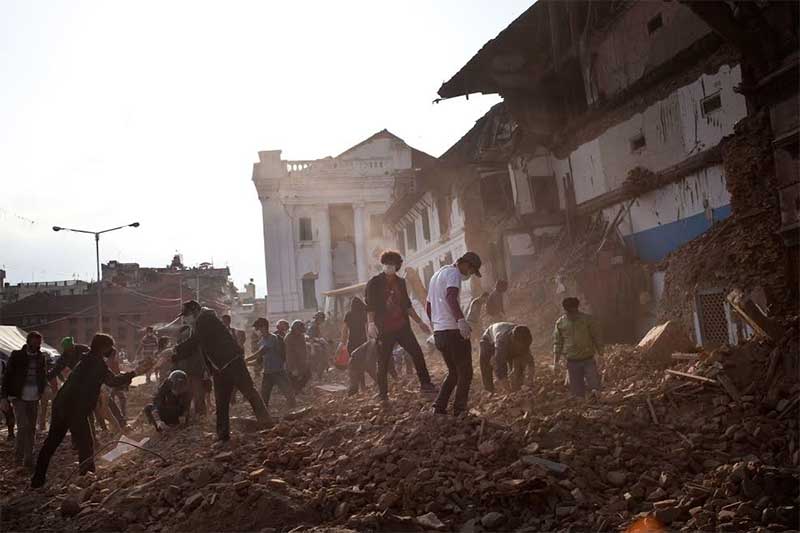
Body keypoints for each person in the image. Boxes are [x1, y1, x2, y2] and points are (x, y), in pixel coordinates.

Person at [31, 333, 139, 488]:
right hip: (75, 409)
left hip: (62, 405)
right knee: (86, 444)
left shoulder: (85, 358)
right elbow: (113, 381)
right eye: (109, 347)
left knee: (51, 443)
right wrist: (134, 372)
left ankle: (37, 479)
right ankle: (87, 479)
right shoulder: (97, 363)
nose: (111, 349)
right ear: (102, 347)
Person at [173, 300, 271, 442]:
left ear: (195, 311)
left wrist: (175, 351)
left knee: (249, 392)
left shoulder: (205, 319)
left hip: (232, 362)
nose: (185, 318)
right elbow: (200, 346)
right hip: (219, 368)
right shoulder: (200, 322)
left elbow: (194, 342)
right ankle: (223, 435)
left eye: (186, 315)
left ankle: (266, 423)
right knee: (221, 402)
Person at [365, 250, 436, 404]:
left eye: (392, 264)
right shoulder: (374, 283)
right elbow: (370, 305)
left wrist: (419, 322)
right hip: (384, 328)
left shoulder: (401, 283)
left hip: (402, 327)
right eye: (387, 264)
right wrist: (371, 323)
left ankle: (426, 384)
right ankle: (382, 394)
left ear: (397, 266)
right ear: (383, 264)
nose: (389, 266)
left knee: (417, 353)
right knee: (383, 362)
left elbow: (407, 305)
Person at [426, 252, 483, 415]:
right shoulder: (454, 274)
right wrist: (460, 320)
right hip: (453, 331)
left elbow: (428, 306)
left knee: (454, 372)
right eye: (471, 271)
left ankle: (439, 407)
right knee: (465, 371)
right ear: (466, 264)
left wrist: (436, 326)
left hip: (440, 333)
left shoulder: (436, 275)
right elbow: (451, 298)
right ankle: (459, 409)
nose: (470, 275)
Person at [0, 332, 54, 468]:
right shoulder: (17, 355)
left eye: (38, 343)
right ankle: (18, 456)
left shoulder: (41, 357)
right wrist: (4, 397)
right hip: (18, 396)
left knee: (31, 428)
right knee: (23, 426)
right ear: (28, 342)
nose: (36, 346)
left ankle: (28, 458)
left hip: (34, 397)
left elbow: (42, 374)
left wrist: (44, 388)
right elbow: (7, 376)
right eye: (34, 343)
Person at [553, 297, 604, 399]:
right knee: (577, 393)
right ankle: (582, 409)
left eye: (574, 311)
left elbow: (596, 337)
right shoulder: (560, 323)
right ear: (565, 310)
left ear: (577, 309)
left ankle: (600, 407)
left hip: (588, 359)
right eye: (569, 312)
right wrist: (556, 362)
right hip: (572, 362)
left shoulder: (587, 320)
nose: (572, 314)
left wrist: (601, 354)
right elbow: (557, 343)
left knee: (595, 386)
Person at [246, 318, 295, 411]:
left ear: (264, 327)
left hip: (278, 371)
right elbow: (259, 361)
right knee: (264, 397)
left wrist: (245, 359)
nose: (258, 331)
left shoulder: (272, 338)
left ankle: (294, 411)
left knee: (288, 393)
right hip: (267, 373)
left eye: (259, 329)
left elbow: (261, 353)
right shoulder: (261, 341)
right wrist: (246, 363)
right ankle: (264, 416)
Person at [479, 323, 534, 393]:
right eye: (520, 346)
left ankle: (516, 386)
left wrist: (530, 379)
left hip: (508, 343)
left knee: (519, 367)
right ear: (513, 340)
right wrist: (507, 389)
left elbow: (530, 361)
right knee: (486, 364)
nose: (522, 348)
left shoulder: (525, 339)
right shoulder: (502, 341)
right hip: (488, 340)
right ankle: (490, 390)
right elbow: (499, 365)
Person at [175, 325, 207, 417]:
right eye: (184, 333)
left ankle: (201, 416)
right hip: (183, 375)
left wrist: (205, 371)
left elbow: (202, 358)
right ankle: (186, 416)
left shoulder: (197, 345)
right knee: (185, 397)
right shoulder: (179, 346)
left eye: (187, 333)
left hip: (196, 373)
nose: (186, 335)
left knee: (199, 396)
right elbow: (176, 360)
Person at [284, 320, 311, 392]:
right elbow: (289, 354)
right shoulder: (288, 338)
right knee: (293, 378)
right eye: (299, 330)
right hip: (292, 362)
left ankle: (298, 389)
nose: (300, 332)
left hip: (301, 361)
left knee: (307, 375)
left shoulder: (301, 336)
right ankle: (294, 391)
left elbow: (304, 349)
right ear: (294, 329)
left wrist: (306, 360)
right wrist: (293, 368)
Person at [0, 351, 14, 441]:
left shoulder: (2, 363)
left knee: (8, 412)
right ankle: (11, 433)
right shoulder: (2, 363)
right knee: (8, 412)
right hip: (2, 391)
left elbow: (5, 378)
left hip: (2, 391)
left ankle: (11, 433)